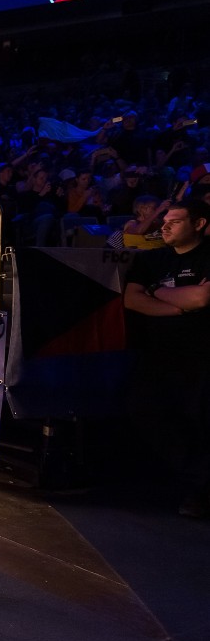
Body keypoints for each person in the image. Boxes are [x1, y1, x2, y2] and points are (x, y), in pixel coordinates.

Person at [123, 199, 210, 518]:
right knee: (144, 410)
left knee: (198, 419)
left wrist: (156, 292)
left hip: (201, 354)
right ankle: (197, 480)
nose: (165, 226)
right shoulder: (152, 259)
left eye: (175, 221)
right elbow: (132, 301)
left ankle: (199, 490)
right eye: (165, 221)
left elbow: (203, 297)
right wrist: (182, 305)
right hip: (157, 353)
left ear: (198, 224)